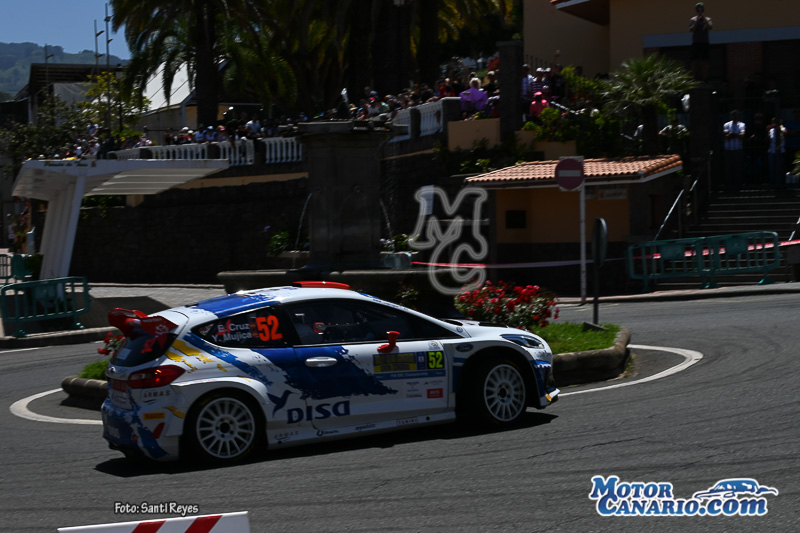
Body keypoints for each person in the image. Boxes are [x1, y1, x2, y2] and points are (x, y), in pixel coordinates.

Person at [689, 2, 712, 81]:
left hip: (705, 42)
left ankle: (705, 78)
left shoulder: (708, 19)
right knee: (695, 61)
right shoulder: (693, 19)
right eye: (698, 9)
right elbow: (692, 30)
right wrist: (697, 20)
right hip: (696, 42)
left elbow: (710, 27)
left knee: (705, 61)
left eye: (701, 8)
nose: (700, 10)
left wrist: (704, 18)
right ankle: (694, 77)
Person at [723, 110, 746, 186]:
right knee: (728, 167)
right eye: (733, 115)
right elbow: (726, 137)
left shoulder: (741, 125)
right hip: (728, 149)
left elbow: (742, 135)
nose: (734, 117)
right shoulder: (726, 125)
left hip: (738, 148)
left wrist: (732, 134)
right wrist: (737, 135)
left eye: (736, 115)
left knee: (738, 167)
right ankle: (729, 184)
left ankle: (738, 184)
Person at [768, 117, 786, 187]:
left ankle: (781, 183)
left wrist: (781, 127)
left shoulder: (782, 129)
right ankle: (773, 183)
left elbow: (785, 132)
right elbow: (769, 138)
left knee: (781, 168)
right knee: (772, 168)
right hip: (772, 151)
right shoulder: (771, 130)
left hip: (781, 151)